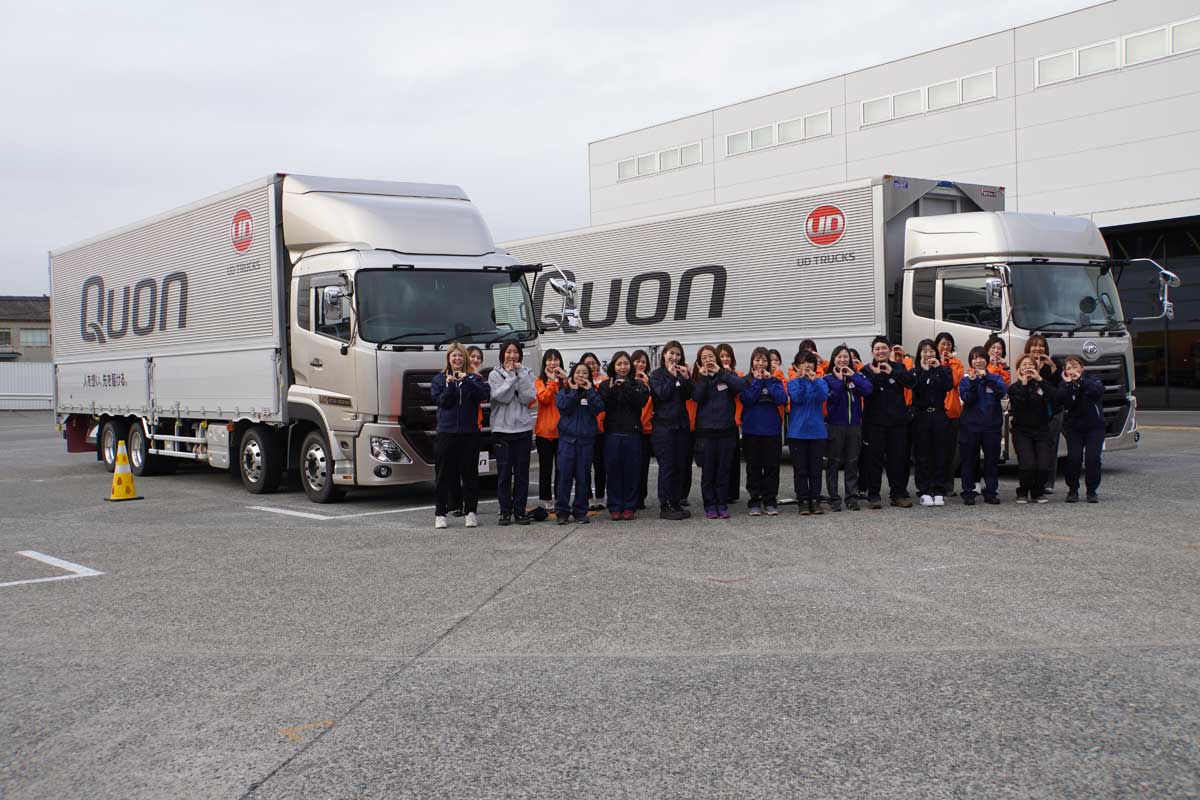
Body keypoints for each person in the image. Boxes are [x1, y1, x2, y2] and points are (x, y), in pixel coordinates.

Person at [431, 343, 490, 529]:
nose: (457, 359)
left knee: (470, 473)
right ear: (448, 358)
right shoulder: (439, 379)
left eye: (460, 356)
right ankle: (441, 513)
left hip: (469, 433)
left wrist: (467, 380)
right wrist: (450, 385)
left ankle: (470, 512)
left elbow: (483, 395)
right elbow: (442, 402)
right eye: (454, 356)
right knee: (443, 474)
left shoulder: (474, 378)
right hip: (446, 432)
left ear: (465, 358)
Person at [860, 336, 916, 508]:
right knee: (874, 460)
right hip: (874, 423)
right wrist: (877, 376)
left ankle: (898, 494)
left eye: (884, 348)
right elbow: (866, 392)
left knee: (898, 460)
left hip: (897, 422)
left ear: (890, 350)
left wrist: (892, 372)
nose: (880, 351)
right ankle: (873, 495)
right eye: (877, 349)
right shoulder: (866, 370)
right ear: (872, 352)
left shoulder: (898, 367)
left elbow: (911, 383)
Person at [692, 344, 747, 519]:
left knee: (724, 470)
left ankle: (722, 503)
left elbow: (741, 385)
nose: (708, 360)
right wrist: (704, 378)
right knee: (708, 471)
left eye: (710, 356)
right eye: (704, 358)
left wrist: (721, 372)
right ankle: (709, 504)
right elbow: (697, 397)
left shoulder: (726, 374)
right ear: (699, 362)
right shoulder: (698, 378)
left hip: (726, 430)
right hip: (706, 432)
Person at [488, 340, 536, 526]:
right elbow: (502, 397)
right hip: (502, 430)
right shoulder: (494, 374)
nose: (512, 356)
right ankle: (505, 511)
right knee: (504, 474)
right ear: (502, 354)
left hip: (523, 430)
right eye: (508, 352)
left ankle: (520, 511)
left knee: (522, 474)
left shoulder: (527, 372)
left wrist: (520, 374)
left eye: (515, 352)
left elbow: (528, 397)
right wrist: (509, 377)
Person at [601, 351, 651, 520]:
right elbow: (603, 404)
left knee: (632, 471)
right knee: (613, 470)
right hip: (612, 433)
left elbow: (641, 402)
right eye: (619, 364)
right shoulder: (606, 384)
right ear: (613, 366)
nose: (623, 367)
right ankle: (615, 506)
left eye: (626, 364)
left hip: (632, 433)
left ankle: (630, 506)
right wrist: (613, 389)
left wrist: (627, 386)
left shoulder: (637, 384)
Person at [823, 344, 872, 512]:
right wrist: (839, 382)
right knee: (833, 463)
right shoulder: (827, 379)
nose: (842, 360)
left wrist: (854, 376)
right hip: (835, 425)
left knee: (852, 462)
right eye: (839, 357)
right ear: (833, 359)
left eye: (846, 357)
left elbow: (868, 390)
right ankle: (834, 498)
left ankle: (851, 497)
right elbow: (831, 400)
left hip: (854, 426)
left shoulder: (856, 376)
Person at [740, 346, 788, 516]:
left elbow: (782, 399)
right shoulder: (746, 381)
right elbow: (747, 399)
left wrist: (768, 381)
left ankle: (770, 500)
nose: (760, 363)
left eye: (764, 360)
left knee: (772, 467)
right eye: (757, 360)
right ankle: (754, 500)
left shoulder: (775, 381)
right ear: (752, 361)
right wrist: (758, 382)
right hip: (751, 430)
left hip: (771, 431)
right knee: (753, 467)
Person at [555, 361, 604, 524]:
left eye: (584, 373)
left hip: (586, 441)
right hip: (567, 441)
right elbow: (564, 408)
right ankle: (562, 512)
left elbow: (599, 408)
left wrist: (589, 391)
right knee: (564, 477)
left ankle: (580, 511)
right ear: (572, 374)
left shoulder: (592, 392)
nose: (581, 375)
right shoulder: (564, 391)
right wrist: (574, 391)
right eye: (578, 372)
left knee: (583, 477)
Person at [958, 345, 1007, 506]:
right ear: (970, 362)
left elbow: (1002, 391)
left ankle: (991, 492)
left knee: (991, 461)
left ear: (986, 360)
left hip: (991, 427)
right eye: (974, 358)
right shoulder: (966, 380)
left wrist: (986, 377)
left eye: (981, 357)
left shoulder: (995, 377)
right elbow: (967, 398)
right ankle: (968, 492)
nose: (978, 361)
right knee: (969, 460)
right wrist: (974, 382)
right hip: (970, 426)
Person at [650, 340, 693, 520]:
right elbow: (663, 394)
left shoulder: (680, 373)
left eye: (678, 354)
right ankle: (665, 505)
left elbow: (688, 395)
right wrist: (671, 376)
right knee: (667, 466)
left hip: (681, 425)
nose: (674, 357)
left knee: (680, 465)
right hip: (664, 427)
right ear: (664, 355)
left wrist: (686, 378)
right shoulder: (657, 375)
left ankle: (676, 502)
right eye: (671, 353)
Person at [909, 339, 955, 507]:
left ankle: (940, 489)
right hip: (921, 416)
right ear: (919, 354)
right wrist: (924, 371)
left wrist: (938, 368)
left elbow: (948, 386)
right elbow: (916, 389)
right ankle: (925, 489)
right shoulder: (915, 371)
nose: (928, 354)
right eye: (924, 351)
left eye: (931, 351)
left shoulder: (944, 370)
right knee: (922, 454)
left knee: (941, 453)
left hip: (939, 415)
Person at [1056, 355, 1105, 503]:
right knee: (1074, 459)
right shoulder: (1064, 384)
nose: (1072, 370)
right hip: (1074, 428)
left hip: (1094, 427)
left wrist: (1081, 381)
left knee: (1093, 459)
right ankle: (1072, 490)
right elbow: (1064, 402)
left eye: (1075, 367)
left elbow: (1098, 391)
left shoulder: (1092, 379)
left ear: (1082, 368)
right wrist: (1069, 386)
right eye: (1068, 368)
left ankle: (1092, 490)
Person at [1008, 353, 1055, 504]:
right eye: (1024, 365)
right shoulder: (1014, 388)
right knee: (1028, 465)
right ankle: (1023, 491)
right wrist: (1023, 383)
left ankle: (1037, 492)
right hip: (1022, 431)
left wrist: (1040, 379)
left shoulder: (1041, 385)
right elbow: (1019, 405)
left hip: (1042, 430)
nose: (1028, 367)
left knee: (1044, 466)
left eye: (1031, 365)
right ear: (1018, 369)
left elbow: (1055, 397)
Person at [787, 351, 830, 515]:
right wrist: (801, 379)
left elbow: (823, 397)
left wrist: (814, 381)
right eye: (802, 362)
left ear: (814, 365)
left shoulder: (821, 381)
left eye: (810, 362)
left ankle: (815, 500)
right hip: (797, 432)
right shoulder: (792, 383)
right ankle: (803, 500)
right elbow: (797, 398)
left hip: (817, 432)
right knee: (800, 470)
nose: (806, 365)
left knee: (816, 470)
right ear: (796, 366)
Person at [1024, 335, 1062, 494]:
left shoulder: (1053, 365)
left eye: (1041, 346)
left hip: (1052, 412)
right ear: (1028, 348)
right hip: (1032, 414)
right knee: (1031, 449)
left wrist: (1053, 368)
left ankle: (1047, 483)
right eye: (1034, 345)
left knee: (1050, 447)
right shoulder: (1025, 364)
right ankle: (1032, 482)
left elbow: (1059, 389)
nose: (1038, 349)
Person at [934, 332, 965, 496]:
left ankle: (948, 485)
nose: (946, 347)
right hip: (935, 412)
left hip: (952, 412)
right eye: (942, 344)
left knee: (951, 452)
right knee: (934, 450)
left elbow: (954, 381)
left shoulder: (956, 363)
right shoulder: (931, 361)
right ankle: (933, 484)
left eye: (949, 344)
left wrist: (947, 363)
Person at [534, 349, 566, 510]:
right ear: (544, 362)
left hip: (562, 432)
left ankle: (560, 497)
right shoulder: (539, 381)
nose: (553, 363)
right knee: (545, 468)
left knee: (562, 468)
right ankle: (547, 499)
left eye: (556, 359)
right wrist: (552, 382)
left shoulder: (565, 381)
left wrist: (563, 379)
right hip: (544, 432)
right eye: (549, 359)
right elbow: (545, 399)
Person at [580, 352, 607, 511]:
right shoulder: (579, 383)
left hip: (601, 430)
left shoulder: (604, 381)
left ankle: (601, 497)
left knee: (600, 466)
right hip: (585, 430)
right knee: (585, 466)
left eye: (593, 363)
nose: (592, 366)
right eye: (588, 364)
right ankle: (589, 498)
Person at [716, 343, 743, 504]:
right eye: (722, 356)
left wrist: (728, 374)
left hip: (733, 421)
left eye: (728, 356)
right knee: (720, 459)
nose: (725, 359)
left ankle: (732, 492)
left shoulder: (736, 375)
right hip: (719, 422)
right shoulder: (714, 376)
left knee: (733, 458)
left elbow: (739, 389)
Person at [631, 349, 655, 510]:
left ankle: (640, 498)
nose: (640, 364)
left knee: (643, 466)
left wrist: (649, 383)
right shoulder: (626, 381)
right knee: (630, 465)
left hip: (646, 431)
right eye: (637, 361)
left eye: (643, 362)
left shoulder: (649, 381)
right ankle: (630, 497)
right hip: (630, 429)